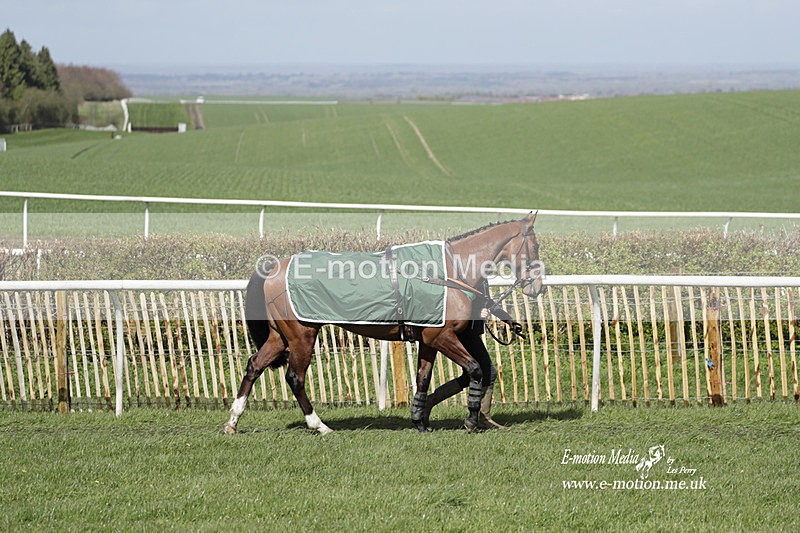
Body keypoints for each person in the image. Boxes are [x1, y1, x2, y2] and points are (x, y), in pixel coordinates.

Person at [422, 280, 518, 430]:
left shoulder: (481, 278)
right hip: (464, 333)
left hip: (471, 332)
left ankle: (430, 401)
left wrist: (507, 319)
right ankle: (483, 418)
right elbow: (458, 300)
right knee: (488, 372)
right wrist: (476, 313)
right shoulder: (467, 276)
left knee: (469, 376)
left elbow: (486, 301)